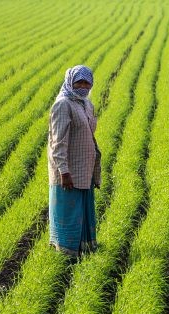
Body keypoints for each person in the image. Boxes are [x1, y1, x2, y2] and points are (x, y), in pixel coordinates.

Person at [47, 65, 101, 258]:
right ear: (70, 82)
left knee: (81, 212)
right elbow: (57, 142)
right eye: (79, 82)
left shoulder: (86, 104)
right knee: (69, 215)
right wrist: (64, 172)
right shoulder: (63, 104)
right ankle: (65, 256)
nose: (84, 86)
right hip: (68, 172)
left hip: (83, 168)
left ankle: (82, 252)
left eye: (87, 82)